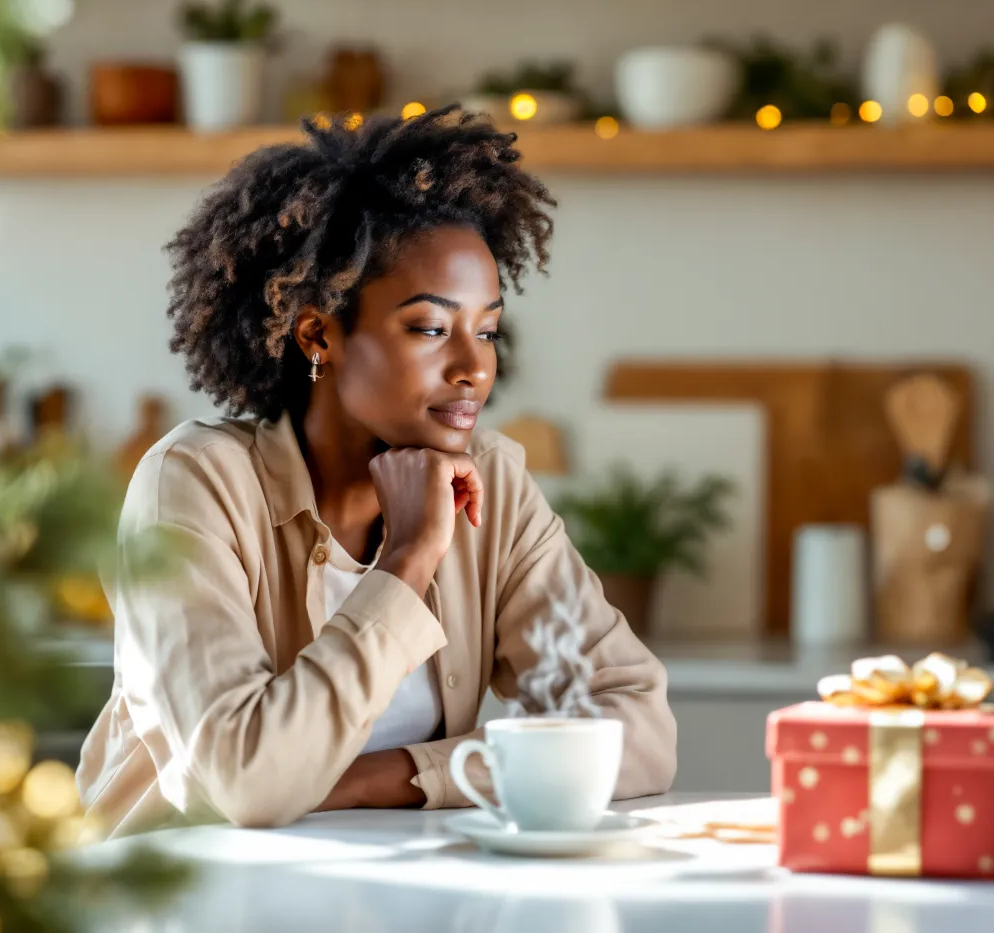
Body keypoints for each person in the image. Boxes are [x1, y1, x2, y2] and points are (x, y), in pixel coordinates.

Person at [77, 107, 677, 838]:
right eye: (429, 328)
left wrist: (376, 779)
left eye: (486, 330)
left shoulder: (491, 478)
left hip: (385, 895)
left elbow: (639, 731)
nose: (474, 368)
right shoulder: (194, 483)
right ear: (318, 334)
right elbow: (248, 780)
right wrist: (407, 557)